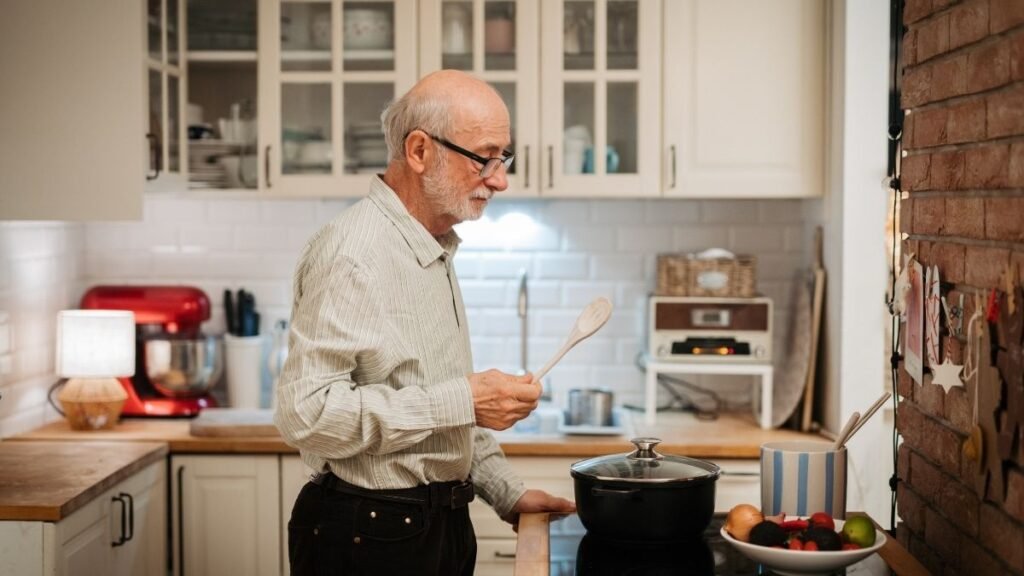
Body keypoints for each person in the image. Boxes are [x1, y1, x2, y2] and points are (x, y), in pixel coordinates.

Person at [274, 70, 576, 576]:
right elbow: (305, 414)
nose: (500, 178)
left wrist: (507, 490)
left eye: (504, 158)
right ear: (419, 152)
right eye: (485, 157)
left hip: (431, 524)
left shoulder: (431, 245)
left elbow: (442, 409)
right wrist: (464, 397)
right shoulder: (355, 253)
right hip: (371, 534)